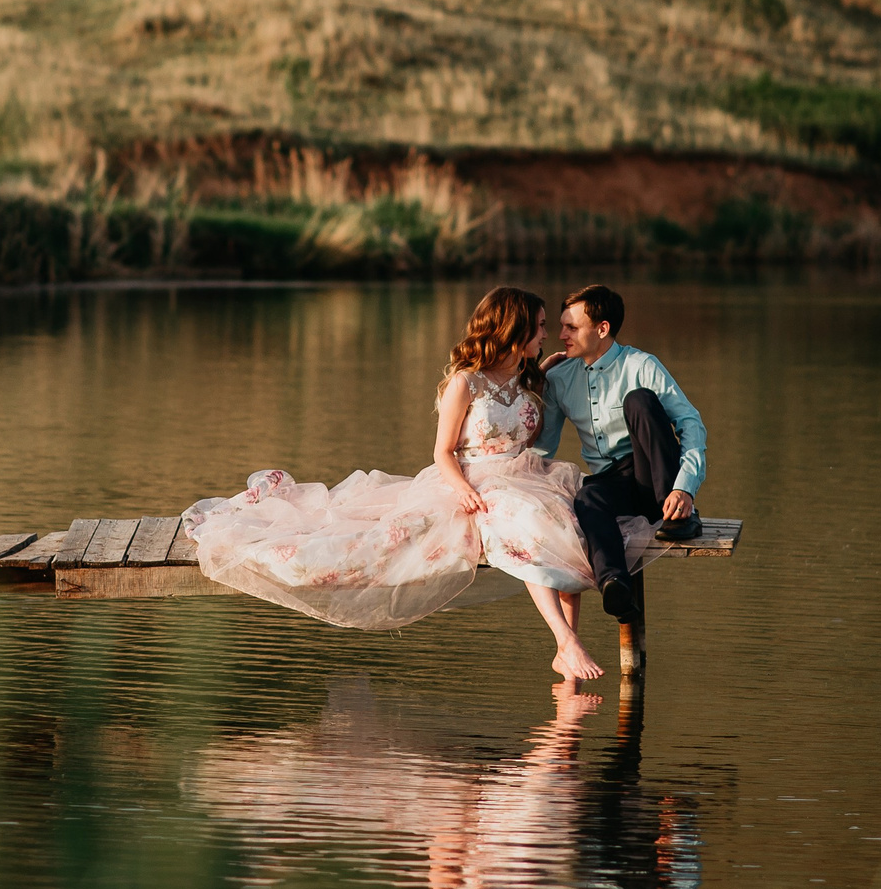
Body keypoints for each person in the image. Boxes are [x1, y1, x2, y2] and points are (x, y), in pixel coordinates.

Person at [184, 286, 646, 680]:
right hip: (472, 478)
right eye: (541, 325)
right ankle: (564, 642)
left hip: (527, 474)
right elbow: (442, 451)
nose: (548, 334)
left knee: (568, 525)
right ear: (516, 328)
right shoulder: (465, 383)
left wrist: (548, 373)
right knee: (520, 522)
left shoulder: (532, 377)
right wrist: (463, 489)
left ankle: (567, 649)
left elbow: (539, 412)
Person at [535, 284, 708, 625]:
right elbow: (544, 448)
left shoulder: (641, 364)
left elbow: (692, 425)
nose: (561, 335)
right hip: (612, 481)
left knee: (639, 400)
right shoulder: (558, 378)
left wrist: (684, 486)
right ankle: (614, 584)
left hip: (657, 473)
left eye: (572, 327)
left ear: (602, 329)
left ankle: (678, 516)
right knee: (587, 498)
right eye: (561, 326)